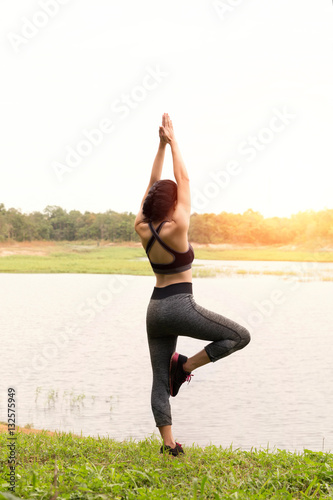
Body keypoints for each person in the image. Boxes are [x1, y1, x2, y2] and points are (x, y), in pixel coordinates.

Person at [134, 113, 251, 457]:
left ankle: (169, 446)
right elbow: (182, 177)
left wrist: (159, 146)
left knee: (158, 380)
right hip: (180, 306)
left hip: (154, 309)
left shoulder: (142, 226)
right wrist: (174, 142)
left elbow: (153, 183)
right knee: (239, 336)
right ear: (173, 204)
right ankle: (184, 367)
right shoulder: (179, 225)